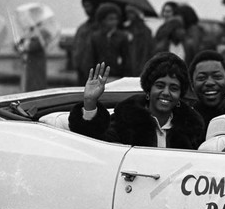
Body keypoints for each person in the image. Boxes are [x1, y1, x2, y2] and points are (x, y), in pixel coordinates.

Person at [68, 52, 205, 149]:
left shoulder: (192, 127)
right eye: (160, 86)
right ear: (148, 88)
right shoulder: (126, 118)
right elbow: (96, 143)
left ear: (180, 94)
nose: (166, 93)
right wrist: (90, 102)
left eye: (174, 88)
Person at [83, 2, 131, 79]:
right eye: (110, 19)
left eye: (116, 19)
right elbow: (90, 59)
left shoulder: (122, 37)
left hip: (117, 76)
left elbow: (127, 59)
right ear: (102, 20)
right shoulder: (95, 37)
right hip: (99, 76)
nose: (114, 22)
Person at [72, 0, 98, 85]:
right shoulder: (83, 27)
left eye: (89, 6)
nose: (86, 10)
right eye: (85, 7)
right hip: (82, 68)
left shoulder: (99, 27)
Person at [122, 4, 154, 76]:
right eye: (127, 13)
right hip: (128, 64)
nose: (128, 15)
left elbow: (146, 50)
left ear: (136, 14)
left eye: (131, 12)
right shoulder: (126, 28)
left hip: (140, 63)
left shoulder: (145, 30)